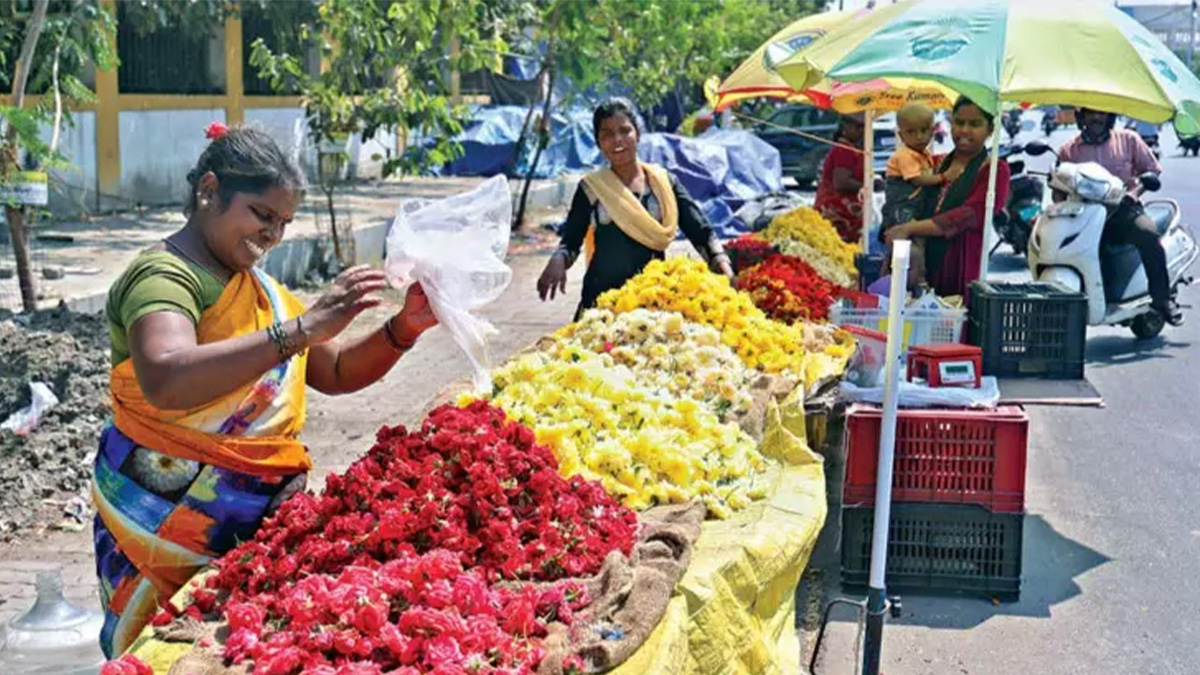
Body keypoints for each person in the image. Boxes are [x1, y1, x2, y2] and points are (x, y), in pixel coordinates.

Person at [91, 124, 438, 657]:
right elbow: (165, 377)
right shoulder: (163, 277)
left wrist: (403, 330)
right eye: (261, 214)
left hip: (257, 524)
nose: (272, 235)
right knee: (159, 653)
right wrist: (301, 329)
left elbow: (337, 370)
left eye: (283, 222)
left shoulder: (265, 293)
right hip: (158, 521)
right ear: (210, 191)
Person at [537, 97, 733, 317]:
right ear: (598, 142)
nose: (617, 140)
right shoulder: (592, 188)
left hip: (652, 301)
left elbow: (700, 231)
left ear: (638, 134)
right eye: (607, 134)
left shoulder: (663, 183)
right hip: (602, 303)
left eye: (624, 131)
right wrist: (558, 260)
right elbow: (571, 241)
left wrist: (722, 264)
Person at [1059, 107, 1180, 325]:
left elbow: (1152, 169)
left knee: (1148, 235)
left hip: (1123, 210)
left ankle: (1163, 299)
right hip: (1085, 214)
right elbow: (1058, 186)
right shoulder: (1069, 150)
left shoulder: (1129, 139)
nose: (1096, 117)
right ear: (1080, 117)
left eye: (1101, 113)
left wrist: (1134, 193)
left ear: (1110, 117)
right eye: (1090, 113)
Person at [886, 96, 1010, 302]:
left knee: (956, 323)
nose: (964, 130)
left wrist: (911, 228)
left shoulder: (995, 170)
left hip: (960, 265)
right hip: (923, 266)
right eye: (959, 122)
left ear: (990, 129)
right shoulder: (936, 164)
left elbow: (968, 216)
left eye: (975, 124)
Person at [881, 102, 951, 286]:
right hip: (903, 207)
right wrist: (943, 177)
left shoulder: (922, 153)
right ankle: (908, 282)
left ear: (933, 130)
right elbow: (917, 180)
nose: (919, 136)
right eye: (911, 132)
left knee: (917, 242)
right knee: (906, 246)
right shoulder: (905, 155)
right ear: (900, 134)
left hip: (915, 206)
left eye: (924, 130)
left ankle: (916, 278)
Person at [813, 114, 866, 242]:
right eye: (857, 127)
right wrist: (868, 185)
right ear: (845, 127)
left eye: (864, 127)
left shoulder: (851, 149)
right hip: (837, 214)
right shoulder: (844, 150)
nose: (862, 131)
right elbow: (841, 182)